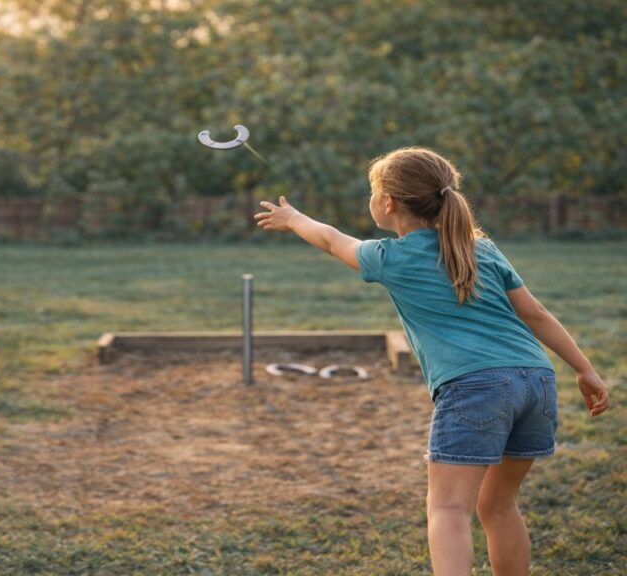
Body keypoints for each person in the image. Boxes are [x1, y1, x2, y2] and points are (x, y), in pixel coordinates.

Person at [253, 147, 610, 575]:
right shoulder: (483, 249)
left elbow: (332, 240)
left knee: (448, 509)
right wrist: (584, 369)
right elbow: (535, 314)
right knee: (498, 505)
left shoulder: (392, 258)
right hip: (536, 381)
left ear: (387, 203)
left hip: (474, 388)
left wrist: (293, 219)